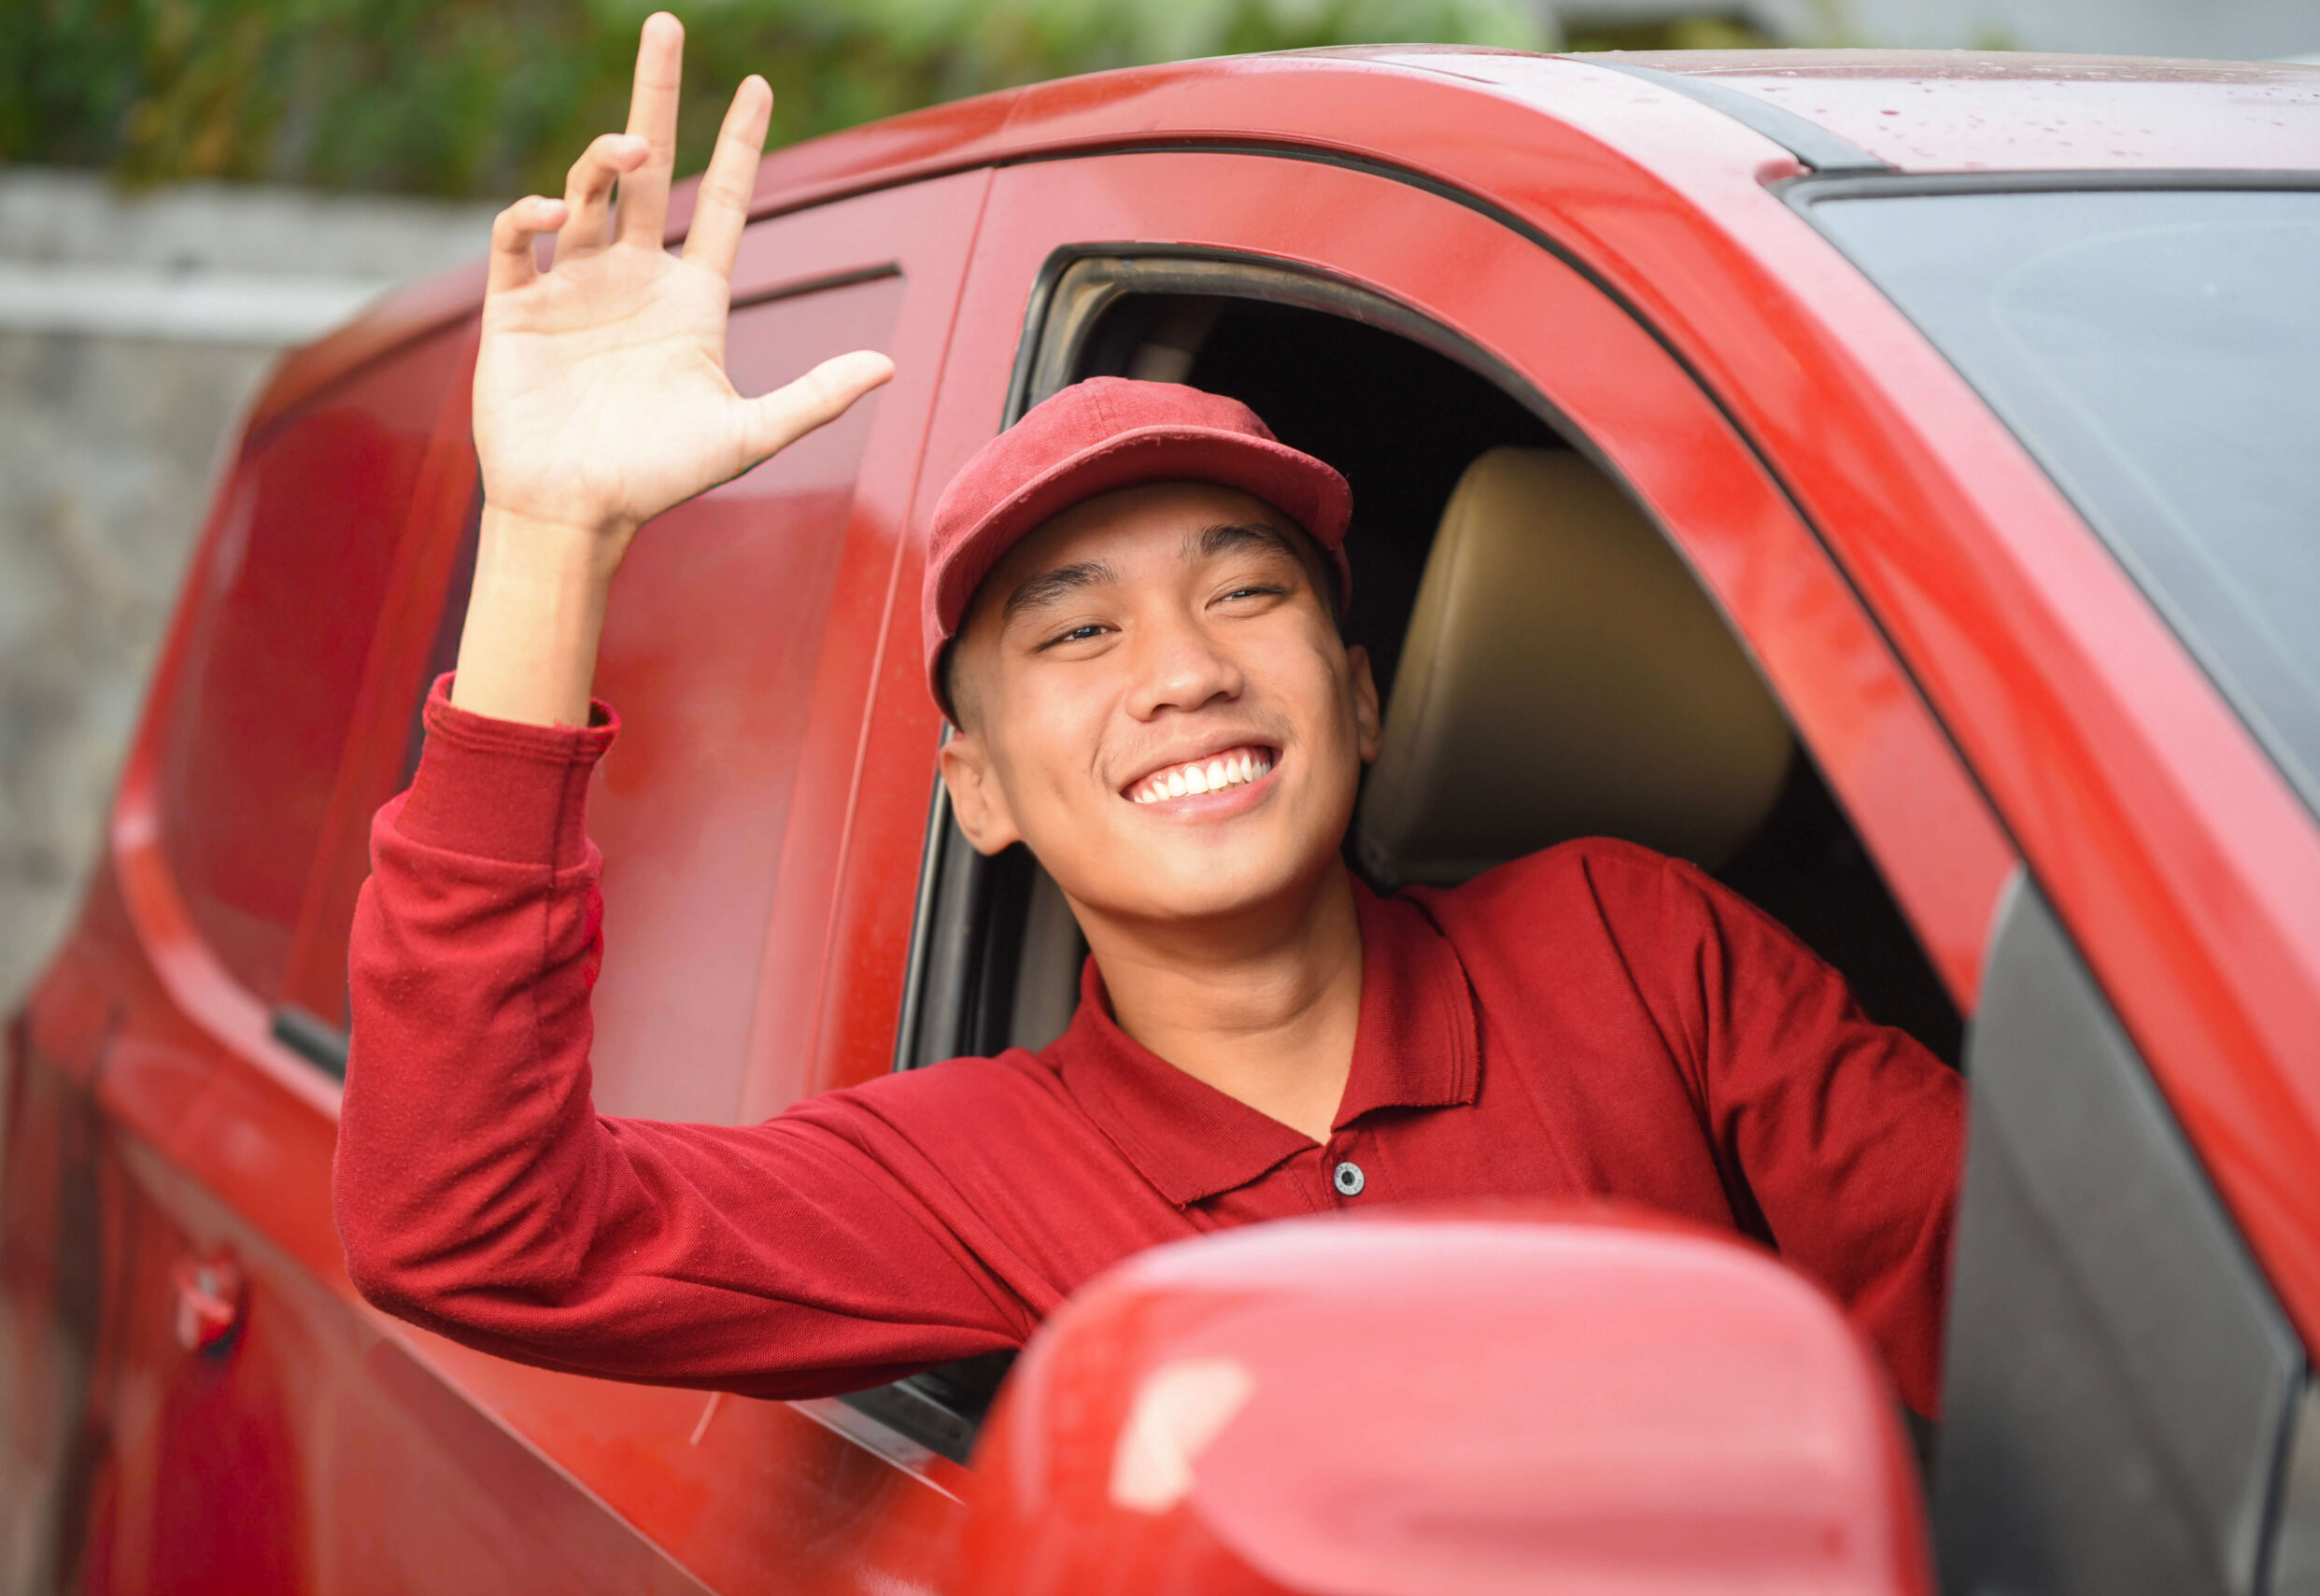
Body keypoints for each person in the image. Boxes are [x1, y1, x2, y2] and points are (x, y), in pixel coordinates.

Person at [335, 11, 1963, 1416]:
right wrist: (548, 536)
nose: (1184, 670)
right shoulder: (978, 1172)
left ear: (1363, 697)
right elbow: (477, 1229)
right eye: (1080, 631)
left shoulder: (1631, 945)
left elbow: (2009, 1302)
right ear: (978, 788)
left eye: (1244, 593)